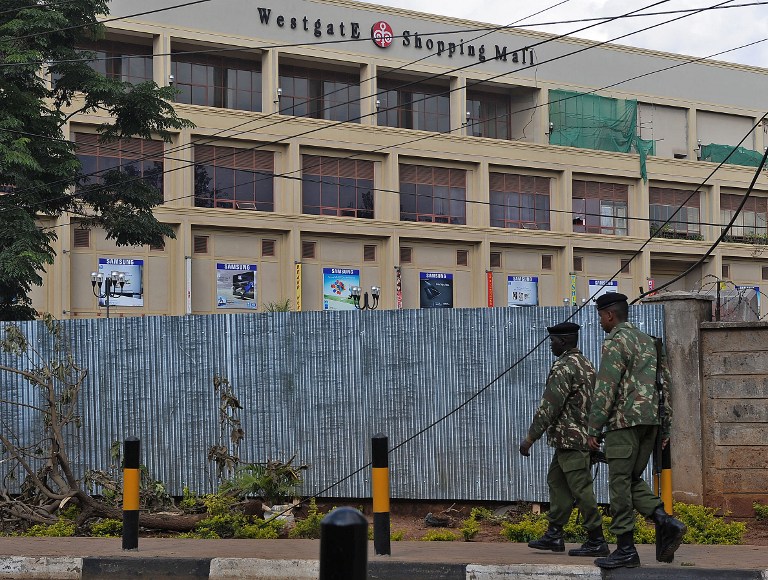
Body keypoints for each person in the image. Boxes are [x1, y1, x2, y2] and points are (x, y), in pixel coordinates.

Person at [587, 292, 686, 569]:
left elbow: (606, 387)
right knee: (630, 479)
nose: (600, 323)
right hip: (650, 424)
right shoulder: (650, 342)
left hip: (624, 423)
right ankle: (666, 522)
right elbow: (665, 386)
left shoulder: (615, 340)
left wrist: (594, 427)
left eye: (600, 318)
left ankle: (626, 549)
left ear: (609, 315)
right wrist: (665, 428)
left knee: (619, 485)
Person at [519, 322, 609, 557]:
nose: (551, 345)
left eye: (553, 342)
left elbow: (550, 406)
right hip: (571, 440)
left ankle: (597, 539)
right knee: (557, 483)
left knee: (581, 489)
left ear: (564, 342)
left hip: (572, 440)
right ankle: (554, 535)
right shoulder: (586, 364)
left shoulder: (564, 367)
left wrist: (530, 438)